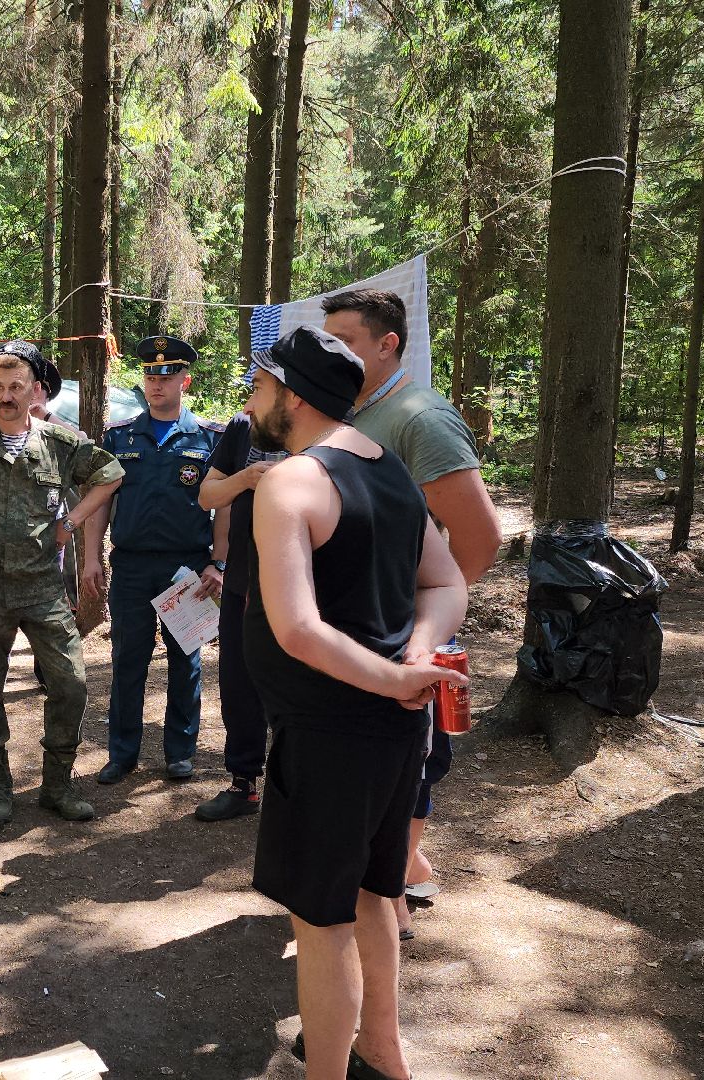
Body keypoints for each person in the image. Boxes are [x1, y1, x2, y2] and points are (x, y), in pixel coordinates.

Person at [242, 326, 467, 1080]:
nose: (250, 398)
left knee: (322, 918)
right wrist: (417, 655)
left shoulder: (290, 481)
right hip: (392, 728)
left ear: (292, 396)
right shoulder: (391, 471)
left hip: (332, 731)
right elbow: (444, 582)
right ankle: (384, 1053)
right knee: (376, 894)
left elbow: (298, 630)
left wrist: (401, 671)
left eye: (259, 385)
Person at [321, 288, 501, 936]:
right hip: (358, 636)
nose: (330, 353)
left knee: (412, 764)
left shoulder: (419, 417)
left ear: (387, 343)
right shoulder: (349, 410)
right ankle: (404, 871)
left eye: (344, 341)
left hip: (406, 640)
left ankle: (390, 893)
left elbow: (478, 541)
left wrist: (422, 630)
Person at [0, 342, 123, 825]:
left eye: (15, 387)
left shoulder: (58, 444)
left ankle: (57, 784)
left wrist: (76, 518)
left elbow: (110, 473)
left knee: (71, 683)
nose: (6, 396)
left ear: (33, 390)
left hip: (43, 588)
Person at [80, 334, 224, 784]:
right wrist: (90, 558)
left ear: (186, 380)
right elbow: (100, 500)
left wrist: (218, 562)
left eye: (167, 374)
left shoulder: (209, 439)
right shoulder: (119, 437)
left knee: (186, 660)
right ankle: (122, 753)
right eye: (149, 374)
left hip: (187, 566)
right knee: (128, 659)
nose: (156, 383)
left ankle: (180, 751)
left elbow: (227, 506)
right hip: (133, 566)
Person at [191, 410, 281, 821]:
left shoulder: (327, 427)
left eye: (259, 386)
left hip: (300, 585)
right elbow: (208, 496)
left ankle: (295, 788)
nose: (249, 400)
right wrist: (245, 478)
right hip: (243, 580)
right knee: (238, 683)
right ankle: (244, 784)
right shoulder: (243, 428)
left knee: (293, 688)